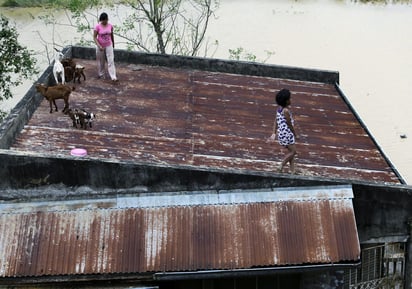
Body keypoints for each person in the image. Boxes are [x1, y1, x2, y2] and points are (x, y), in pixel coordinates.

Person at [267, 88, 297, 173]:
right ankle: (281, 165)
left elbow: (276, 121)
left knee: (291, 152)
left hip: (282, 134)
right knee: (293, 152)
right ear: (286, 101)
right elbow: (289, 124)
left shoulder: (279, 109)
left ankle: (293, 170)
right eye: (290, 98)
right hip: (287, 134)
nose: (291, 100)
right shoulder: (286, 111)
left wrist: (274, 133)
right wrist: (295, 134)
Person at [93, 12, 118, 84]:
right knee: (101, 61)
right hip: (100, 45)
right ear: (101, 20)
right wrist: (99, 46)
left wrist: (113, 43)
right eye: (103, 20)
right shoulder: (97, 27)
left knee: (111, 60)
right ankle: (101, 73)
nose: (104, 22)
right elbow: (94, 37)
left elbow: (112, 35)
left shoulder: (110, 26)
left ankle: (113, 76)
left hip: (108, 45)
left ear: (107, 19)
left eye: (106, 20)